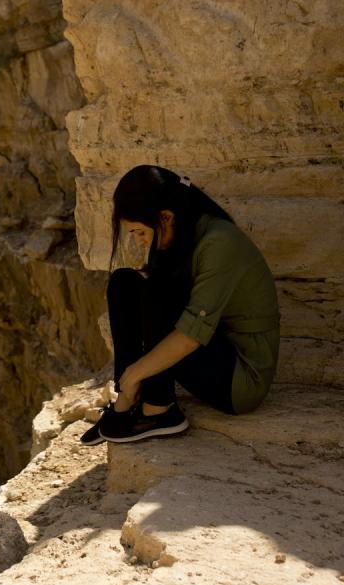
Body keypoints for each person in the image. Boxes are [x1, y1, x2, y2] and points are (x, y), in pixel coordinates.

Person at [81, 165, 280, 445]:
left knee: (157, 290)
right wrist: (127, 384)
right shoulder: (183, 235)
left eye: (140, 231)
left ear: (166, 217)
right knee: (124, 281)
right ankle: (126, 402)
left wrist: (135, 373)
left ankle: (158, 410)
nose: (139, 241)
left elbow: (190, 337)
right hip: (214, 353)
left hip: (241, 380)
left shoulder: (219, 242)